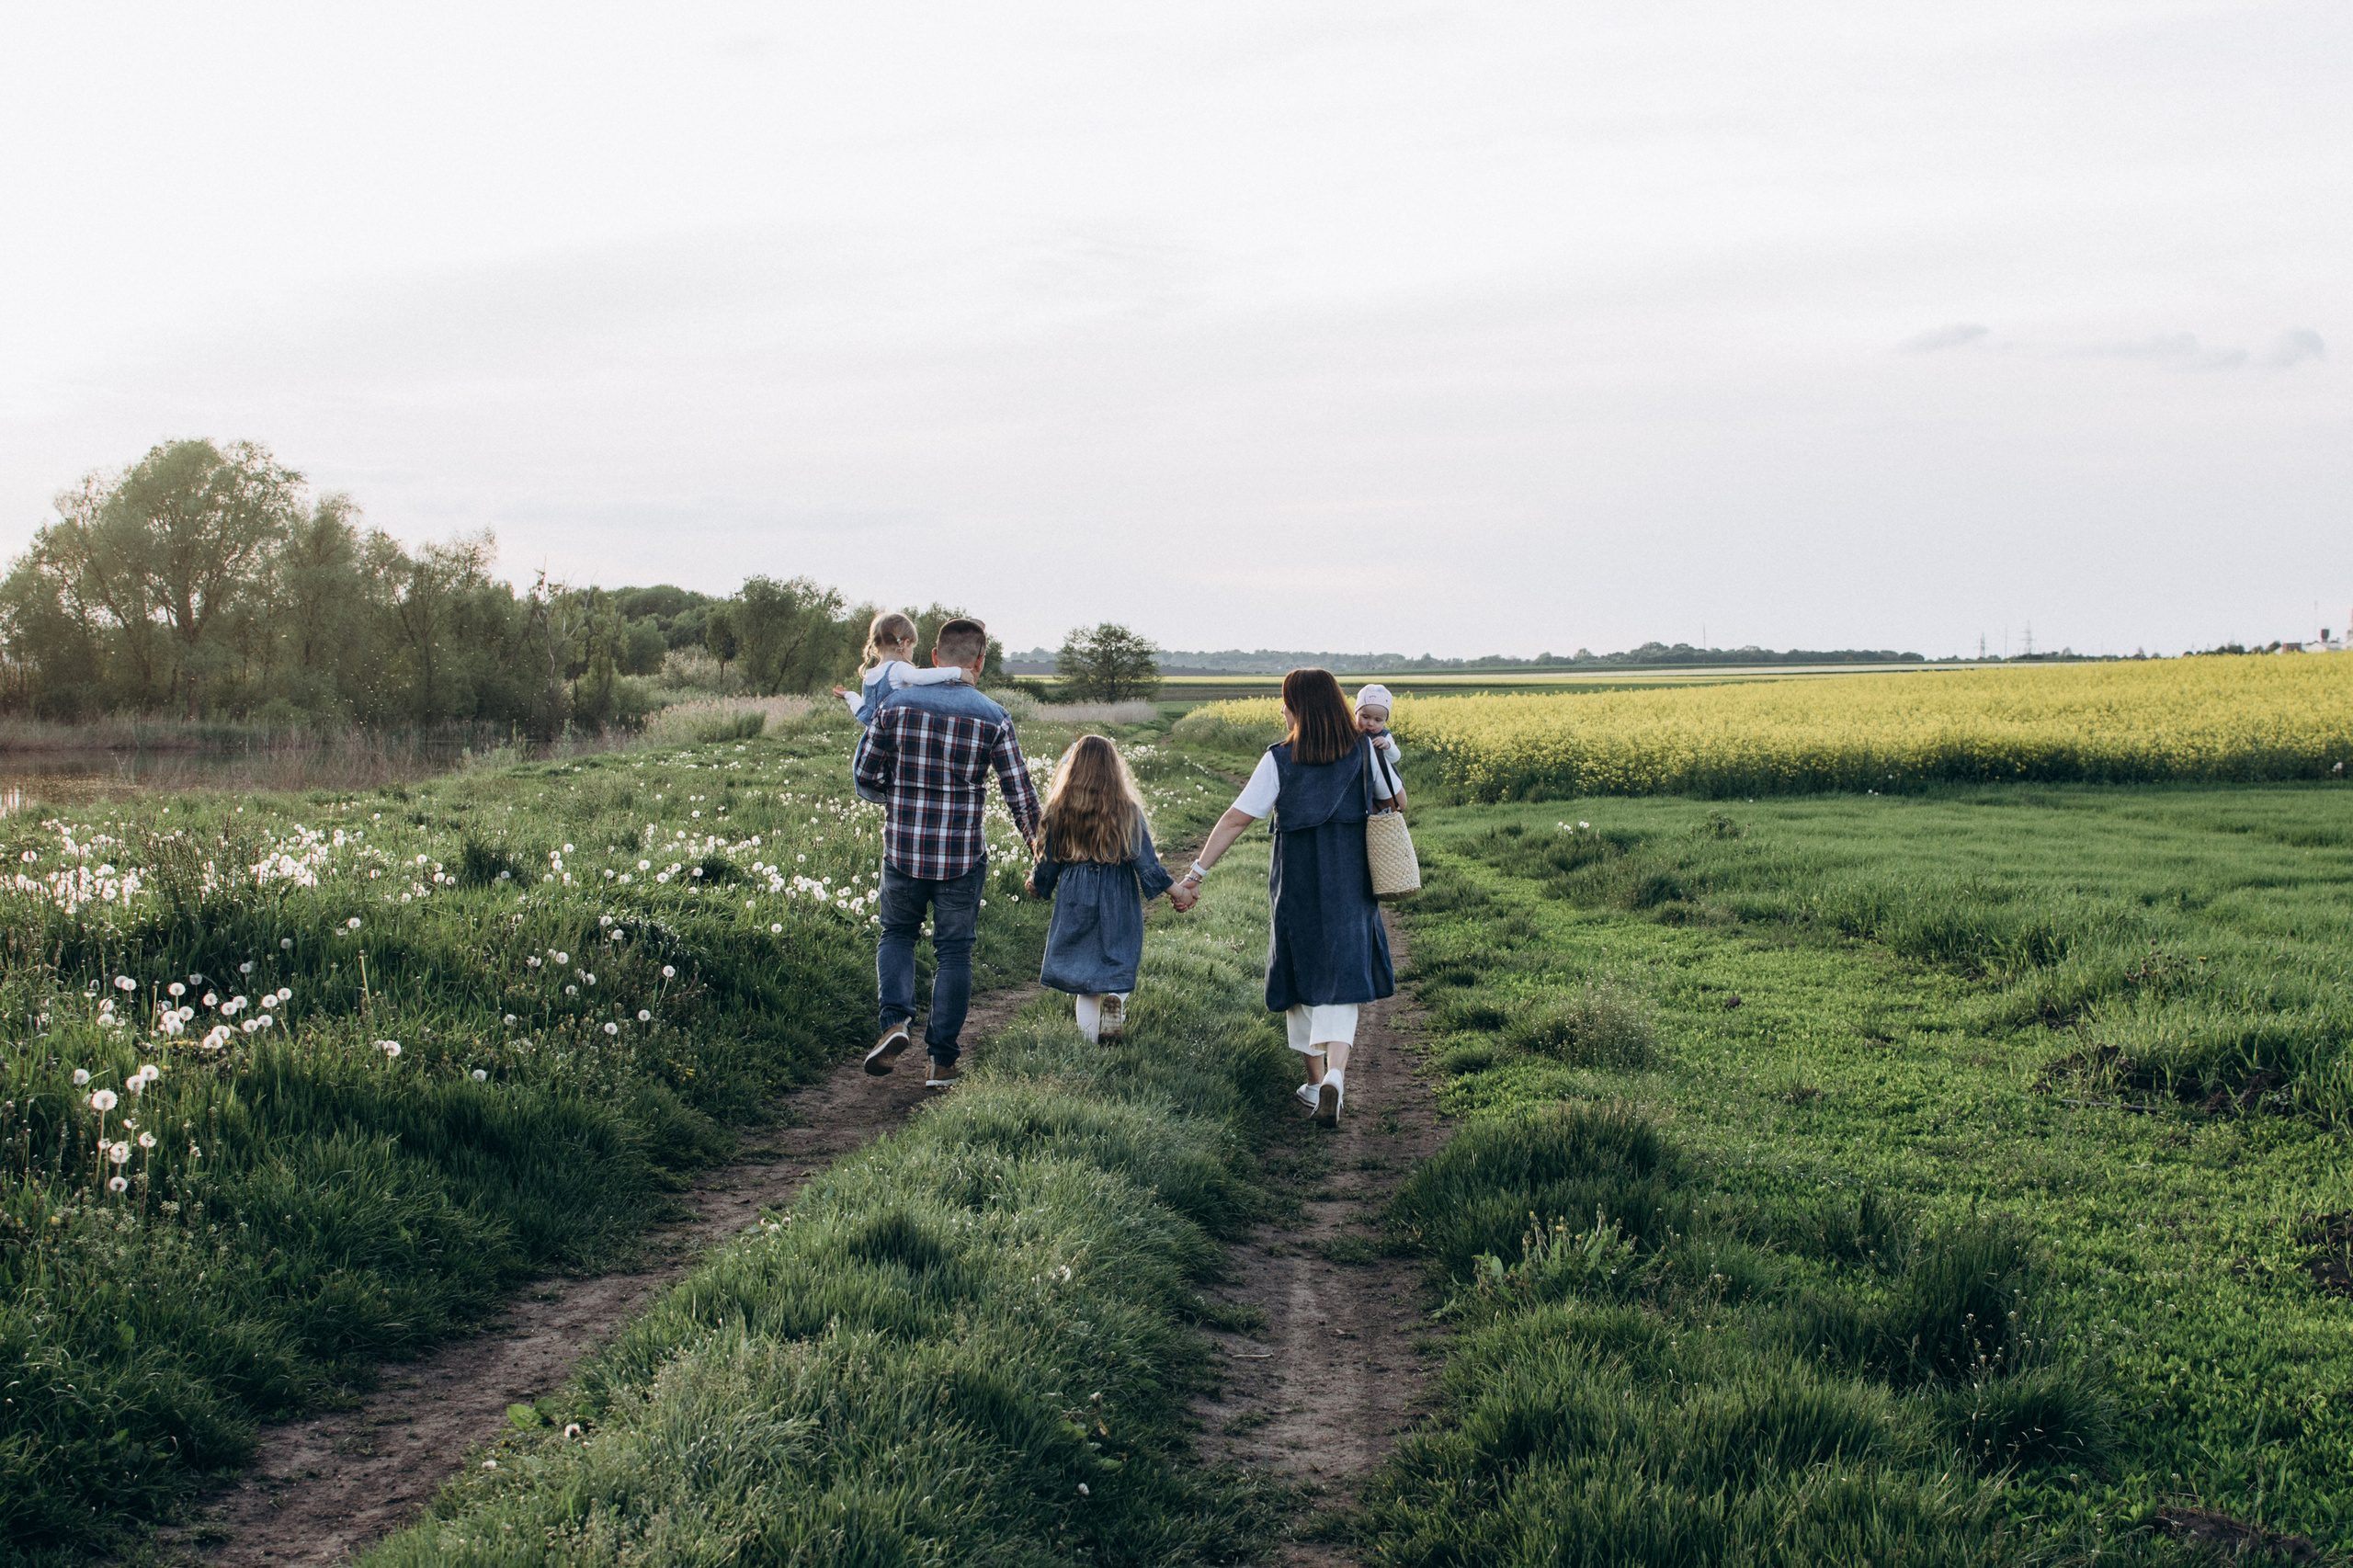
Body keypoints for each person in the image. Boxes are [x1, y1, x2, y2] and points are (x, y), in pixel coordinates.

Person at [1170, 668, 1397, 1125]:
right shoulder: (1362, 751)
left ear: (1300, 707)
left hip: (1298, 882)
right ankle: (1336, 1074)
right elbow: (1394, 800)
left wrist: (1196, 874)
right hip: (1351, 880)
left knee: (1299, 972)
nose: (1281, 709)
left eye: (1285, 701)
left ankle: (1314, 1087)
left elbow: (1237, 818)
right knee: (1343, 978)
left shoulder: (1279, 758)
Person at [852, 617, 1040, 1088]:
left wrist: (900, 797)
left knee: (896, 935)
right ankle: (942, 1062)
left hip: (903, 849)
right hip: (960, 856)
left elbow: (865, 775)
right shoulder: (993, 715)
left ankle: (895, 1023)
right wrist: (1042, 853)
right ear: (980, 662)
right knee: (954, 953)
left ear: (934, 658)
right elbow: (1020, 796)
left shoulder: (894, 706)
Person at [1026, 734, 1176, 1043]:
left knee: (1085, 980)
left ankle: (1089, 1043)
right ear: (1113, 769)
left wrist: (1038, 884)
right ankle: (1116, 1004)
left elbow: (1049, 860)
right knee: (1120, 959)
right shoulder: (1127, 811)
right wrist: (1178, 892)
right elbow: (1147, 864)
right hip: (1116, 895)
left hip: (1074, 897)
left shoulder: (1059, 809)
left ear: (1074, 768)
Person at [833, 610, 968, 726]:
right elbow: (921, 677)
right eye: (912, 648)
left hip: (871, 747)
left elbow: (861, 709)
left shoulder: (869, 676)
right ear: (906, 643)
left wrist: (849, 695)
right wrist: (957, 671)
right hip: (894, 743)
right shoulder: (897, 669)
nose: (912, 653)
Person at [1353, 683, 1407, 811]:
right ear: (1356, 713)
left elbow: (1396, 757)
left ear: (1385, 721)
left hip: (1382, 781)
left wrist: (1387, 746)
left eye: (1378, 720)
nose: (1370, 723)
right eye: (1365, 717)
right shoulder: (1353, 733)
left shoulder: (1385, 736)